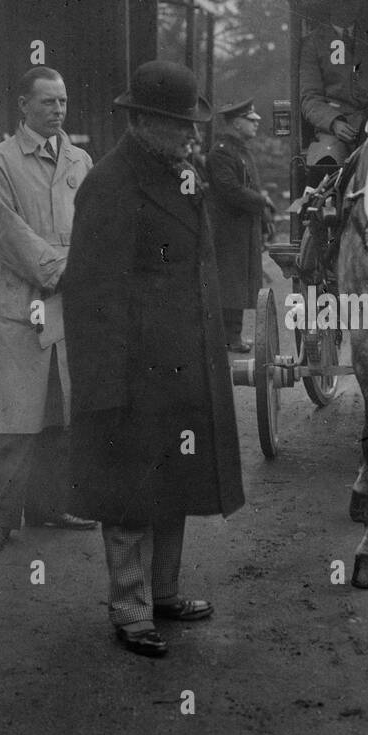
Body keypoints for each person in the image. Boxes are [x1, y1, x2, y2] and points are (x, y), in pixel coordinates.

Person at [61, 61, 245, 658]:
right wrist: (103, 387)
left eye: (190, 121)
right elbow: (91, 294)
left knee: (177, 482)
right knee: (133, 492)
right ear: (141, 121)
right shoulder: (112, 184)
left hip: (184, 366)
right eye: (175, 123)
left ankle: (163, 592)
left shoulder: (179, 174)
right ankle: (130, 608)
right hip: (132, 372)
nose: (188, 133)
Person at [0, 66, 96, 554]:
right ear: (23, 105)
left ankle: (49, 507)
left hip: (67, 302)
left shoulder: (80, 160)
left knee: (59, 413)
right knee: (16, 418)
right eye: (47, 102)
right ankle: (0, 518)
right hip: (21, 299)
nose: (58, 111)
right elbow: (4, 231)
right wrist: (60, 268)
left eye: (63, 102)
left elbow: (91, 224)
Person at [207, 99, 275, 352]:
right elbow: (230, 190)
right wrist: (262, 200)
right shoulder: (223, 151)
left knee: (236, 283)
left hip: (241, 227)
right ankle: (229, 337)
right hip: (228, 229)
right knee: (230, 284)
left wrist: (262, 210)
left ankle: (231, 336)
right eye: (251, 119)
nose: (257, 123)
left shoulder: (239, 149)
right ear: (237, 123)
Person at [299, 0, 368, 164]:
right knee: (325, 160)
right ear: (330, 3)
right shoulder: (313, 43)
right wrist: (334, 122)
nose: (348, 5)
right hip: (335, 129)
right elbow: (310, 99)